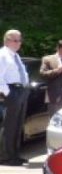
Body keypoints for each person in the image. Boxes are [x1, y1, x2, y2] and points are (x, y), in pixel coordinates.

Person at [0, 29, 30, 165]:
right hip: (11, 91)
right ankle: (5, 156)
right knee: (9, 126)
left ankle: (15, 155)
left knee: (18, 125)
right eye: (16, 40)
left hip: (20, 90)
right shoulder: (3, 55)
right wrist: (8, 93)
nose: (19, 43)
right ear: (7, 41)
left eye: (20, 40)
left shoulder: (15, 56)